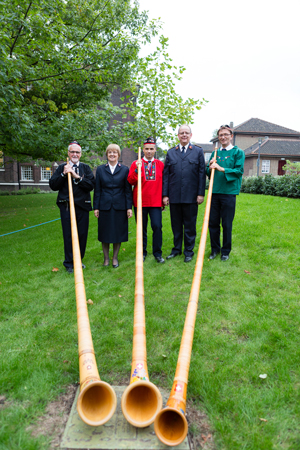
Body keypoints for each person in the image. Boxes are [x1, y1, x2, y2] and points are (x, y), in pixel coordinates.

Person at [49, 141, 95, 273]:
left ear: (80, 154)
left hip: (82, 206)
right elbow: (53, 185)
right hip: (67, 206)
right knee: (69, 235)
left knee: (82, 234)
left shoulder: (85, 168)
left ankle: (78, 260)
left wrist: (76, 176)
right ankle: (69, 263)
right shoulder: (62, 167)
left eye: (77, 152)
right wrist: (64, 174)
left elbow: (91, 185)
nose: (75, 154)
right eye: (72, 152)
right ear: (68, 153)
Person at [162, 125, 206, 262]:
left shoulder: (198, 152)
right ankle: (176, 249)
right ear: (178, 136)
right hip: (174, 196)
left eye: (187, 133)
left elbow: (201, 174)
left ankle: (188, 251)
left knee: (189, 225)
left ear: (191, 135)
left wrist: (200, 193)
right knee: (176, 225)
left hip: (191, 196)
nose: (184, 135)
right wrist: (165, 195)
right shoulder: (170, 153)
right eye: (182, 133)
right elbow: (166, 176)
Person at [206, 124, 245, 261]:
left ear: (231, 136)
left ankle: (225, 251)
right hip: (214, 192)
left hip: (228, 193)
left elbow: (239, 172)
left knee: (227, 223)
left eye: (225, 135)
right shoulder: (215, 152)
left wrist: (221, 169)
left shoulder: (237, 152)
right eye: (220, 135)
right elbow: (208, 173)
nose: (223, 137)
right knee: (213, 223)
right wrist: (210, 166)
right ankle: (215, 249)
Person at [93, 144, 132, 268]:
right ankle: (106, 259)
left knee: (117, 233)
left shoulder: (125, 169)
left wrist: (129, 207)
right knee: (104, 233)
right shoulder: (100, 170)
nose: (112, 154)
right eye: (110, 152)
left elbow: (127, 190)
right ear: (107, 154)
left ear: (118, 155)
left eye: (115, 152)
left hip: (120, 206)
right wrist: (96, 207)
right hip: (104, 206)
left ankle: (115, 258)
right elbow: (97, 190)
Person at [127, 137, 165, 263]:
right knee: (141, 229)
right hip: (140, 202)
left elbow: (164, 182)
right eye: (147, 149)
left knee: (157, 226)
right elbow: (130, 181)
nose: (149, 151)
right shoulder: (135, 163)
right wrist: (138, 169)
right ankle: (142, 252)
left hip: (155, 202)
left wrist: (164, 198)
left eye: (151, 149)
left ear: (155, 150)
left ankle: (157, 253)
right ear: (143, 150)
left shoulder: (160, 164)